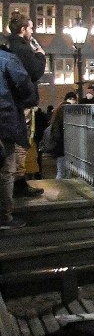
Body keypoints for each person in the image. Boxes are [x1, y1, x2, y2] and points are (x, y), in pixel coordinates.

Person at [5, 11, 44, 198]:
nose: (32, 31)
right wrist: (41, 56)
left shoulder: (9, 46)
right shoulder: (22, 48)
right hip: (23, 104)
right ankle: (19, 181)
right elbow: (34, 72)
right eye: (30, 28)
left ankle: (15, 180)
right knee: (22, 141)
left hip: (13, 103)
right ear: (23, 29)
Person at [0, 47, 36, 229]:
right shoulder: (7, 59)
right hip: (4, 122)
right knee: (6, 169)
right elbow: (25, 85)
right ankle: (4, 216)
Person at [45, 92, 78, 179]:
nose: (72, 101)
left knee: (64, 171)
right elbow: (58, 135)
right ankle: (61, 187)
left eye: (74, 99)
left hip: (62, 148)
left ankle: (63, 187)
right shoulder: (61, 119)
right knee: (62, 172)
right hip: (62, 148)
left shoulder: (58, 117)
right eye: (71, 99)